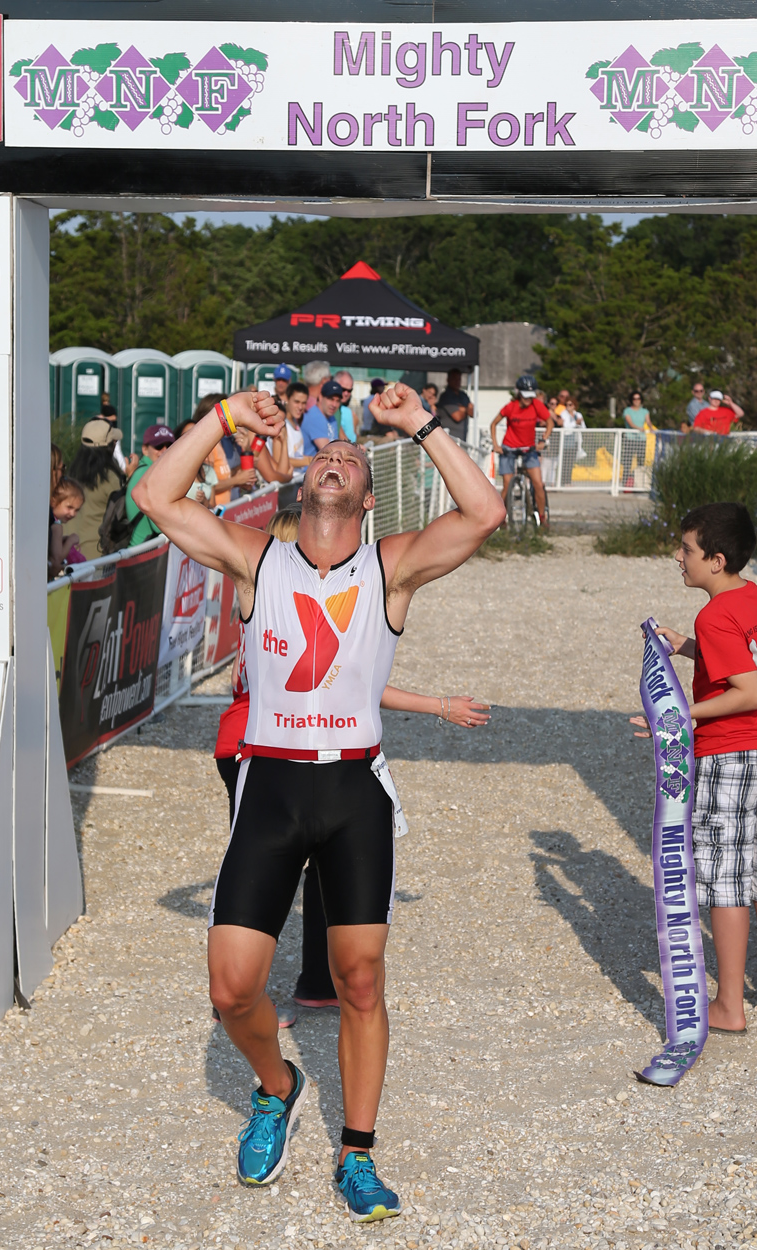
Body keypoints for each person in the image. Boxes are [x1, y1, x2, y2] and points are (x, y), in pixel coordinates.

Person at [132, 382, 504, 1219]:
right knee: (231, 988)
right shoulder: (254, 555)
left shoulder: (391, 566)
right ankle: (279, 1085)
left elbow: (481, 513)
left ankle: (358, 1154)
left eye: (353, 459)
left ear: (368, 499)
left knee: (360, 979)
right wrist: (224, 419)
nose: (338, 459)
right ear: (303, 482)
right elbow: (155, 494)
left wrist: (424, 427)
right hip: (270, 782)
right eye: (326, 455)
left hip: (352, 787)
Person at [213, 507, 494, 1020]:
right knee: (272, 872)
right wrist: (439, 705)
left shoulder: (313, 596)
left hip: (315, 760)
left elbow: (345, 684)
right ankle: (248, 988)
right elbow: (340, 682)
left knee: (322, 875)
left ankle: (304, 983)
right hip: (254, 751)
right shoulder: (268, 590)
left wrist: (439, 705)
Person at [631, 502, 757, 1036]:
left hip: (732, 753)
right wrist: (685, 647)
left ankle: (729, 1004)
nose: (678, 558)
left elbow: (744, 692)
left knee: (726, 881)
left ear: (716, 558)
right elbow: (746, 663)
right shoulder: (754, 599)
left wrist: (679, 716)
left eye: (687, 550)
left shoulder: (715, 612)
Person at [490, 373, 551, 526]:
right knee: (507, 483)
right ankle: (501, 518)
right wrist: (496, 445)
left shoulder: (537, 405)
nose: (528, 399)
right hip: (509, 448)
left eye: (531, 396)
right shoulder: (511, 407)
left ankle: (542, 517)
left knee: (537, 483)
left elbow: (549, 422)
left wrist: (543, 439)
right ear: (519, 394)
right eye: (525, 396)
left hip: (528, 449)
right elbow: (493, 424)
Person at [69, 419, 133, 560]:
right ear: (109, 447)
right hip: (97, 557)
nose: (115, 444)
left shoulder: (71, 474)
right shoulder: (110, 478)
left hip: (69, 553)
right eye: (113, 442)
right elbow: (125, 512)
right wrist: (131, 478)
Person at [126, 424, 175, 546]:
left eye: (169, 446)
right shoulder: (151, 475)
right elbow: (160, 526)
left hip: (138, 551)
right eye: (159, 446)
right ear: (145, 450)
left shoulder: (142, 470)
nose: (165, 450)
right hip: (143, 554)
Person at [48, 476, 85, 577]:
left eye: (77, 510)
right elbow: (57, 558)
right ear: (53, 501)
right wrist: (70, 541)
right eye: (69, 507)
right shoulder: (57, 526)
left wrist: (63, 539)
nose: (73, 514)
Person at [301, 379, 345, 455]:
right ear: (320, 397)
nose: (334, 405)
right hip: (309, 466)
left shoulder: (331, 417)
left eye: (338, 401)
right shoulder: (315, 417)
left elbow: (336, 444)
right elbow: (328, 452)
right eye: (331, 399)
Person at [436, 368, 473, 438]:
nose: (457, 382)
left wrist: (463, 409)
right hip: (448, 439)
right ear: (448, 380)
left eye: (459, 379)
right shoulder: (446, 396)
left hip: (462, 439)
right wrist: (467, 409)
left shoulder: (463, 395)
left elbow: (473, 412)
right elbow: (457, 416)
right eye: (454, 379)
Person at [283, 381, 312, 467]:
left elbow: (296, 455)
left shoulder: (296, 422)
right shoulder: (282, 425)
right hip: (287, 479)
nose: (300, 407)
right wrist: (311, 461)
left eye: (304, 403)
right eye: (296, 402)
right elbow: (279, 460)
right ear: (286, 399)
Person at [334, 372, 357, 442]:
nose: (346, 393)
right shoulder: (333, 410)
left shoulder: (346, 411)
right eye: (343, 389)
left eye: (349, 390)